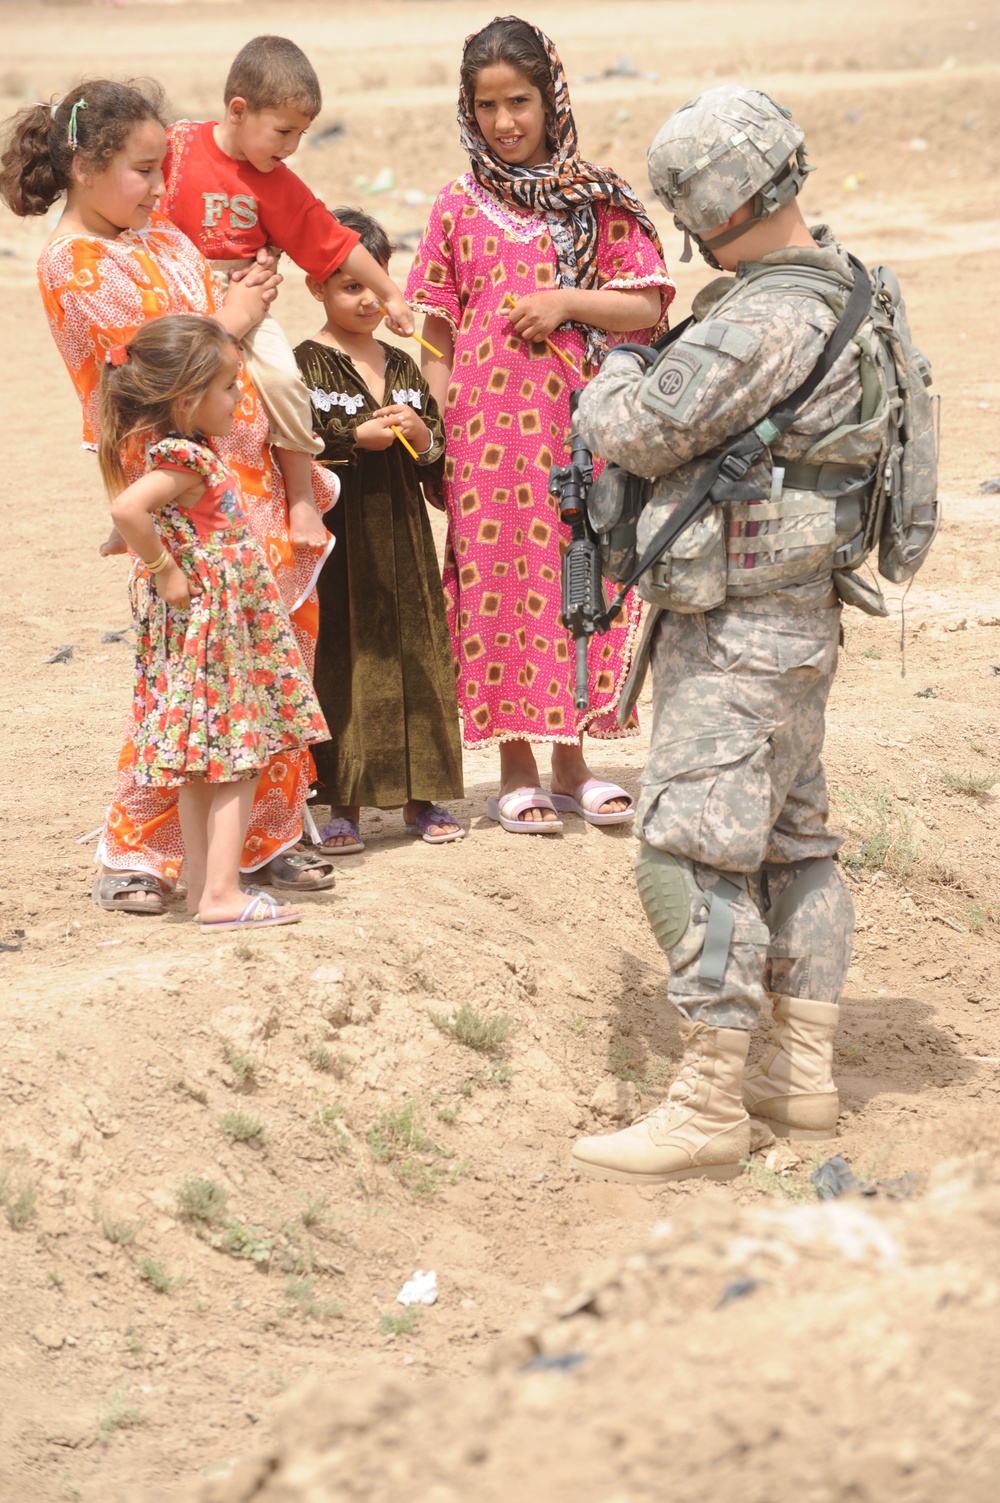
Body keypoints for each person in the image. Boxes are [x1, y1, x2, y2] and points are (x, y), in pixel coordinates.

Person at [569, 85, 911, 1183]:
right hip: (801, 617)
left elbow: (641, 430)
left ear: (703, 207)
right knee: (793, 841)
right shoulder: (856, 286)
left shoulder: (765, 317)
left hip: (736, 634)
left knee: (682, 845)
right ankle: (796, 1073)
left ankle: (710, 1100)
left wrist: (614, 362)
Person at [0, 78, 337, 912]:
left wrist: (235, 318)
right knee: (190, 686)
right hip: (183, 499)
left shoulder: (162, 241)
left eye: (162, 171)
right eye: (143, 171)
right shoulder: (74, 265)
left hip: (245, 477)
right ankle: (139, 855)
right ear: (83, 167)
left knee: (274, 661)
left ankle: (267, 836)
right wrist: (235, 318)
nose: (159, 189)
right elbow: (165, 367)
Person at [405, 16, 674, 833]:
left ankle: (576, 763)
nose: (504, 123)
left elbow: (649, 303)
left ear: (551, 100)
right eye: (486, 105)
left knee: (579, 583)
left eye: (519, 101)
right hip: (485, 444)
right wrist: (438, 424)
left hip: (578, 434)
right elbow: (436, 326)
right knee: (497, 590)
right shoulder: (457, 203)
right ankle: (514, 765)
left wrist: (563, 302)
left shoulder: (595, 199)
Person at [99, 315, 329, 930]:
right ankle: (225, 894)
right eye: (229, 387)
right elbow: (129, 508)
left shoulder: (168, 454)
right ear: (186, 398)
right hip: (219, 627)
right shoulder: (186, 456)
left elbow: (146, 509)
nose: (238, 399)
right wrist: (161, 566)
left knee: (207, 761)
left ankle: (202, 885)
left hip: (214, 623)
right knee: (238, 757)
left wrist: (151, 542)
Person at [159, 34, 416, 553]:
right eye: (283, 131)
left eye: (301, 134)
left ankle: (301, 498)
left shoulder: (278, 184)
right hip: (169, 297)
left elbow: (333, 240)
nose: (292, 147)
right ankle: (130, 505)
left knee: (283, 379)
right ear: (238, 111)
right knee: (135, 384)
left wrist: (390, 292)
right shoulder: (177, 147)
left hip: (246, 303)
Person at [294, 208, 465, 853]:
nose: (367, 299)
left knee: (416, 653)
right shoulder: (301, 365)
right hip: (337, 545)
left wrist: (423, 436)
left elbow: (436, 463)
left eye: (375, 283)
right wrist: (349, 440)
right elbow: (286, 448)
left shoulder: (402, 365)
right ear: (317, 288)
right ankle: (341, 804)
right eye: (348, 286)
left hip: (403, 538)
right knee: (341, 657)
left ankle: (423, 798)